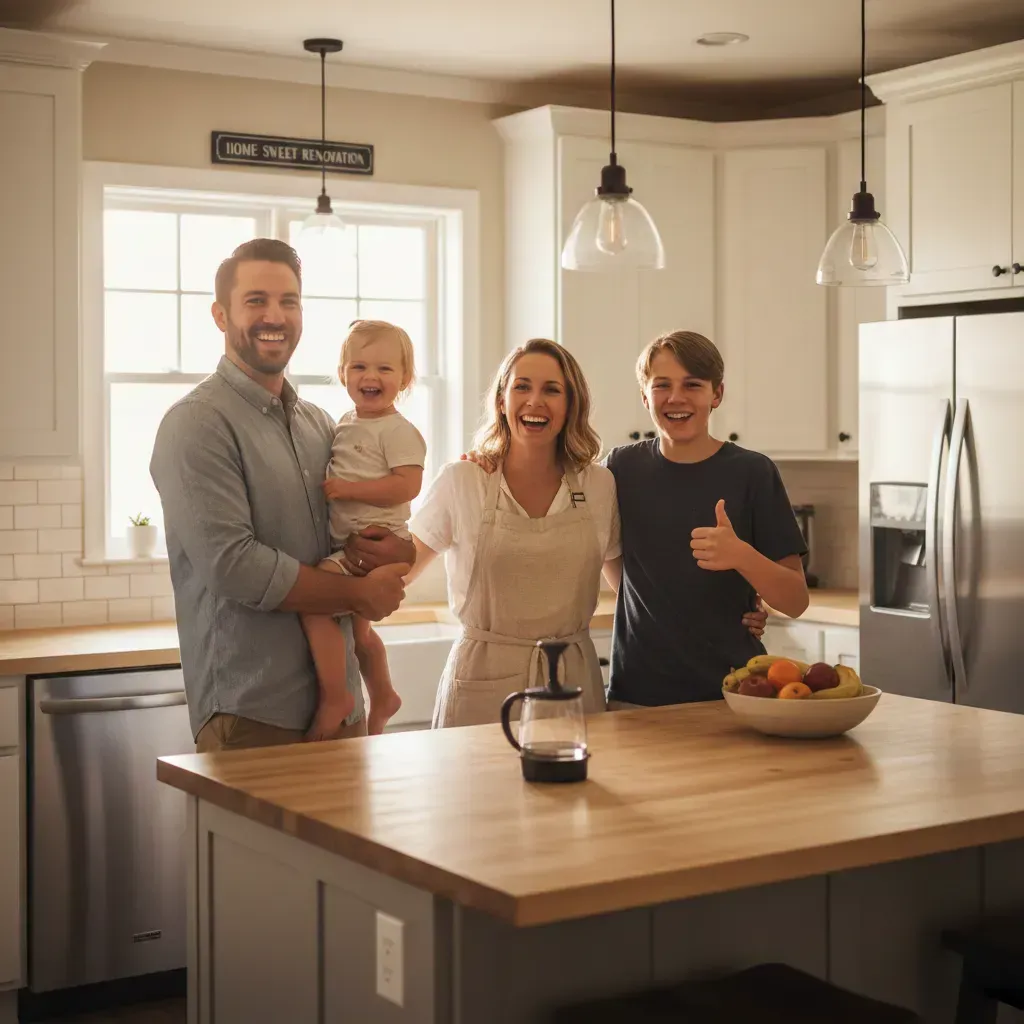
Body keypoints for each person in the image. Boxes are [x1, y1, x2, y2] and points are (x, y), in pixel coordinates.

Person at [150, 239, 411, 752]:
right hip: (253, 712)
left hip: (344, 712)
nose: (275, 315)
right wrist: (358, 594)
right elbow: (234, 565)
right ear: (220, 315)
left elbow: (355, 524)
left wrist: (396, 551)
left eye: (289, 301)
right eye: (256, 301)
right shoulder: (197, 424)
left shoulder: (322, 424)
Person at [405, 339, 620, 727]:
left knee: (572, 788)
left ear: (571, 404)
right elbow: (399, 570)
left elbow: (631, 588)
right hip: (481, 683)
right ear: (501, 400)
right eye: (522, 386)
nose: (535, 401)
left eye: (551, 390)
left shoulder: (600, 486)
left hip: (572, 683)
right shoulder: (462, 480)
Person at [603, 330, 809, 709]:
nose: (676, 397)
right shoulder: (620, 468)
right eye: (661, 384)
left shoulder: (753, 473)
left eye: (692, 384)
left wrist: (741, 556)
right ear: (645, 396)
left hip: (735, 694)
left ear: (717, 394)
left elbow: (796, 601)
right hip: (635, 694)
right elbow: (612, 557)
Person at [301, 319, 425, 739]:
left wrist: (349, 489)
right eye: (358, 367)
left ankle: (336, 694)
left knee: (315, 602)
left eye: (385, 369)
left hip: (374, 547)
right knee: (359, 633)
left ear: (405, 379)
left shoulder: (398, 430)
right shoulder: (344, 423)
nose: (370, 377)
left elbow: (408, 485)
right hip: (351, 546)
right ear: (342, 374)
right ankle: (384, 693)